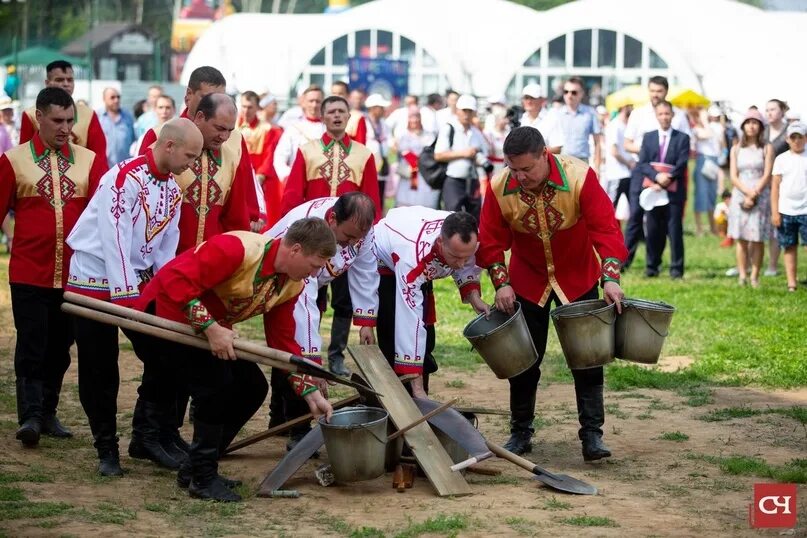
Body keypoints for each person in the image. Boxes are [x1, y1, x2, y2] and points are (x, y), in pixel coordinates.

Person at [135, 221, 336, 501]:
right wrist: (211, 328)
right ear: (296, 249)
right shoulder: (237, 249)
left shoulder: (292, 285)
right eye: (315, 265)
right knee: (216, 385)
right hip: (161, 319)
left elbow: (282, 340)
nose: (315, 274)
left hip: (205, 333)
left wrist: (309, 392)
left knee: (251, 385)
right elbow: (174, 280)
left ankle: (195, 467)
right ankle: (203, 478)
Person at [476, 126, 627, 459]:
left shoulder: (579, 177)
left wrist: (610, 278)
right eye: (513, 168)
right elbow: (489, 240)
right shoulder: (500, 186)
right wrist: (501, 282)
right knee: (523, 362)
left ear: (545, 155)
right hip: (527, 281)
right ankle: (520, 433)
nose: (519, 176)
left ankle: (592, 436)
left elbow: (606, 228)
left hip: (578, 275)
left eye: (526, 169)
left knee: (587, 359)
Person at [66, 119, 204, 476]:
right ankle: (106, 447)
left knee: (167, 351)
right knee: (99, 367)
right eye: (190, 155)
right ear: (169, 146)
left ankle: (149, 434)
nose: (194, 163)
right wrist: (126, 294)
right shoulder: (123, 177)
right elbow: (113, 236)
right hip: (93, 280)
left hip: (137, 284)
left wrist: (167, 292)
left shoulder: (174, 190)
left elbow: (166, 250)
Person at [0, 87, 106, 447]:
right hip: (29, 271)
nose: (65, 128)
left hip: (75, 275)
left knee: (61, 347)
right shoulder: (13, 160)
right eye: (57, 120)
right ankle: (29, 416)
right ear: (38, 117)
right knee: (32, 344)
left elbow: (102, 217)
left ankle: (47, 411)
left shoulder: (89, 160)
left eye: (70, 120)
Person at [265, 193, 377, 447]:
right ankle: (298, 428)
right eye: (348, 237)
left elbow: (366, 268)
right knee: (296, 349)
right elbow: (305, 300)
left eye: (357, 239)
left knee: (290, 347)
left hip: (310, 277)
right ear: (333, 219)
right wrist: (314, 363)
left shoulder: (361, 231)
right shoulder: (310, 229)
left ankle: (280, 419)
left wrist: (366, 319)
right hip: (281, 277)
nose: (351, 244)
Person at [281, 95, 381, 376]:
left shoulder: (363, 154)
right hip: (312, 236)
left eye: (341, 111)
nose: (336, 116)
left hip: (347, 241)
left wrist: (367, 236)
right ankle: (307, 349)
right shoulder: (307, 150)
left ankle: (335, 356)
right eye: (331, 112)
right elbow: (292, 196)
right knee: (309, 294)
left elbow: (371, 199)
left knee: (345, 301)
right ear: (322, 117)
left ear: (350, 116)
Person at [374, 208, 487, 398]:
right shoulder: (413, 258)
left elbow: (466, 262)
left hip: (423, 265)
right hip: (386, 264)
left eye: (465, 256)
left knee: (427, 335)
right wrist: (416, 388)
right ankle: (403, 400)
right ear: (441, 242)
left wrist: (474, 297)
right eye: (455, 257)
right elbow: (409, 323)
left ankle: (421, 396)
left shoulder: (466, 239)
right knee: (394, 335)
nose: (460, 264)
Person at [138, 66, 262, 233]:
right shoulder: (159, 135)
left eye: (221, 98)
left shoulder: (235, 140)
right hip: (166, 253)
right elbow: (142, 200)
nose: (214, 104)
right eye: (207, 97)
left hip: (213, 253)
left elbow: (241, 203)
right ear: (189, 95)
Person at [628, 101, 691, 278]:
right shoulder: (648, 137)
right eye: (661, 114)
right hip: (653, 190)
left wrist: (667, 178)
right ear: (656, 116)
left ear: (672, 115)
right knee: (653, 229)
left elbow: (682, 163)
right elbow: (643, 163)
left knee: (674, 230)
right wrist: (656, 178)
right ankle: (651, 267)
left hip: (673, 190)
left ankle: (677, 269)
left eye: (667, 114)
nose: (664, 117)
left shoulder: (682, 138)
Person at [20, 60, 107, 168]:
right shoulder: (31, 115)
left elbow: (99, 157)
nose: (66, 84)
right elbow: (23, 154)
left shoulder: (88, 114)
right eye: (60, 80)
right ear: (47, 83)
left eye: (70, 80)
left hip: (81, 178)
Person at [727, 109, 774, 287]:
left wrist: (755, 192)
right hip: (740, 194)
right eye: (748, 122)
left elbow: (767, 173)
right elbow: (733, 175)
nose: (751, 126)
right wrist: (746, 192)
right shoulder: (736, 149)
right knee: (741, 238)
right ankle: (742, 274)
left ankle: (755, 275)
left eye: (755, 123)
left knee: (757, 238)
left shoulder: (766, 148)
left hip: (760, 195)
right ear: (743, 126)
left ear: (760, 126)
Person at [434, 94, 491, 221]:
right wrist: (465, 153)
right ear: (457, 111)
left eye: (470, 111)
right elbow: (438, 155)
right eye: (464, 110)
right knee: (452, 218)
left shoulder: (476, 132)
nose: (466, 114)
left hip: (473, 181)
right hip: (453, 180)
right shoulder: (449, 128)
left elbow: (486, 153)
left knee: (474, 219)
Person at [771, 121, 807, 292]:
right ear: (787, 139)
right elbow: (775, 187)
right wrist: (775, 212)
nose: (797, 140)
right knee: (789, 246)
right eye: (793, 137)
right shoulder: (781, 160)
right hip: (786, 210)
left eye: (800, 137)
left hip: (805, 210)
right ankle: (791, 282)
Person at [238, 90, 282, 221]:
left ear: (257, 107)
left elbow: (270, 155)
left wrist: (260, 175)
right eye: (243, 106)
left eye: (250, 107)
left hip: (260, 177)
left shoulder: (269, 129)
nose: (246, 110)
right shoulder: (233, 127)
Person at [623, 76, 691, 155]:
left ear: (666, 91)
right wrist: (650, 151)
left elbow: (687, 141)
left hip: (670, 165)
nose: (655, 94)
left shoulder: (679, 114)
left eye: (659, 91)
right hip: (642, 163)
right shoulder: (638, 113)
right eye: (652, 91)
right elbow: (627, 144)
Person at [763, 99, 791, 277]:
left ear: (782, 111)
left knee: (776, 225)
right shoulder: (762, 131)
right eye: (767, 110)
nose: (769, 113)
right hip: (762, 183)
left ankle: (773, 265)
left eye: (773, 109)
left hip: (783, 184)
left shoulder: (790, 132)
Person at [550, 77, 602, 169]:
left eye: (574, 92)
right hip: (561, 161)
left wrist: (597, 168)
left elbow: (597, 142)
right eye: (566, 92)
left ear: (581, 94)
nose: (569, 95)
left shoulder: (590, 113)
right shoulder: (556, 114)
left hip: (582, 162)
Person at [394, 108, 440, 208]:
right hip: (408, 174)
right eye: (411, 117)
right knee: (406, 204)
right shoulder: (403, 137)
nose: (414, 120)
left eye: (416, 117)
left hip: (424, 174)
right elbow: (399, 155)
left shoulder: (429, 136)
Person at [692, 106, 725, 236]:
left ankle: (713, 227)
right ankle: (699, 228)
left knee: (712, 195)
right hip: (703, 161)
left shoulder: (717, 127)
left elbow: (721, 143)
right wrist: (704, 121)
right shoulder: (696, 129)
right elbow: (706, 135)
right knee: (700, 195)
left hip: (714, 161)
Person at [603, 104, 635, 208]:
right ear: (624, 107)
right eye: (630, 106)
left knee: (634, 207)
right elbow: (614, 151)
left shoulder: (626, 125)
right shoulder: (614, 125)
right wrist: (628, 163)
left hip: (626, 173)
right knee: (610, 208)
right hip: (616, 173)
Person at [365, 93, 392, 206]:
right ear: (373, 108)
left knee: (380, 197)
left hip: (381, 165)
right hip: (369, 165)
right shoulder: (364, 122)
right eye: (381, 107)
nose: (383, 110)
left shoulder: (383, 124)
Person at [98, 88, 136, 168]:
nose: (116, 100)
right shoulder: (98, 116)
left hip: (124, 167)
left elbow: (133, 139)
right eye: (112, 97)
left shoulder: (127, 116)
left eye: (118, 97)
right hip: (104, 167)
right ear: (104, 99)